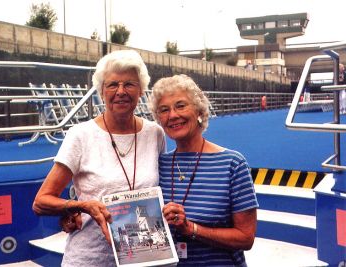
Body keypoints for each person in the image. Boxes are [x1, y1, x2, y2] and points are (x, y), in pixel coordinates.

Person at [32, 49, 165, 267]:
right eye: (112, 85)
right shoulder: (81, 135)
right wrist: (80, 206)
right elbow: (41, 201)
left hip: (142, 257)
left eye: (129, 84)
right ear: (102, 91)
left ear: (141, 90)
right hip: (91, 258)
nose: (120, 91)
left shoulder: (155, 134)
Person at [149, 74, 259, 266]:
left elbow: (245, 238)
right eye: (164, 110)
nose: (172, 115)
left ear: (199, 111)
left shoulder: (232, 164)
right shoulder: (158, 165)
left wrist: (191, 228)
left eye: (181, 106)